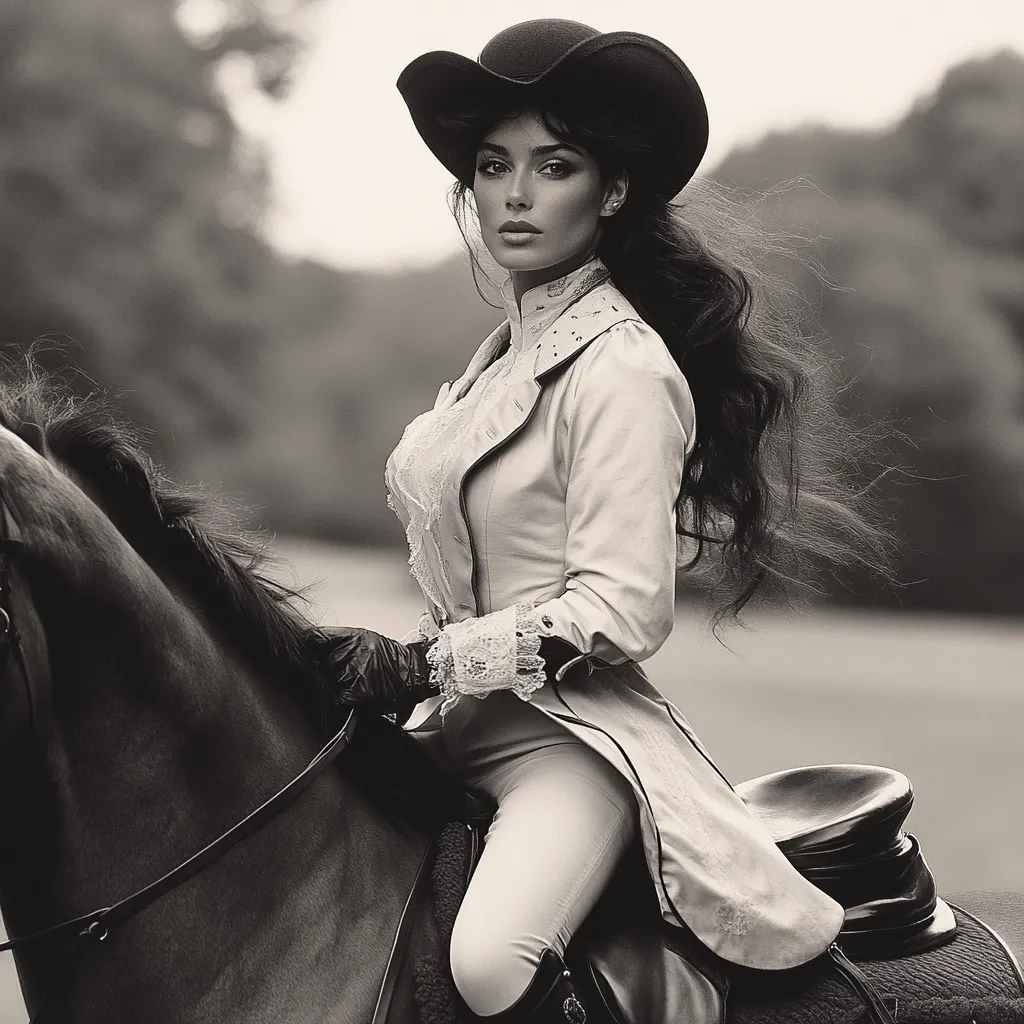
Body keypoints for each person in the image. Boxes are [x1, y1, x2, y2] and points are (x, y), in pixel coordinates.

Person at [318, 18, 889, 1024]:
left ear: (612, 192)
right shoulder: (494, 360)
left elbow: (623, 607)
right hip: (447, 727)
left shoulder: (620, 364)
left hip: (564, 745)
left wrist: (426, 663)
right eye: (493, 166)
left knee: (489, 963)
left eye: (555, 165)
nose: (516, 193)